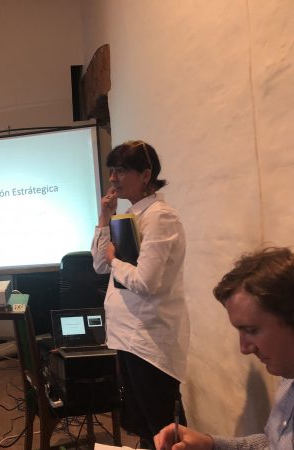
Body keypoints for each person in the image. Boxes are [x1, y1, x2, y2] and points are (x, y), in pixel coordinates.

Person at [91, 140, 189, 446]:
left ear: (146, 175)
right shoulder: (129, 217)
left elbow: (146, 283)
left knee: (164, 430)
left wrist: (114, 260)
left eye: (121, 170)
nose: (112, 178)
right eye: (111, 171)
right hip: (128, 337)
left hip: (149, 340)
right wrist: (105, 218)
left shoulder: (160, 217)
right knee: (145, 428)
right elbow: (98, 265)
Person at [155, 246, 294, 450]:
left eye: (252, 330)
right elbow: (273, 444)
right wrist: (209, 443)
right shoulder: (287, 379)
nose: (244, 348)